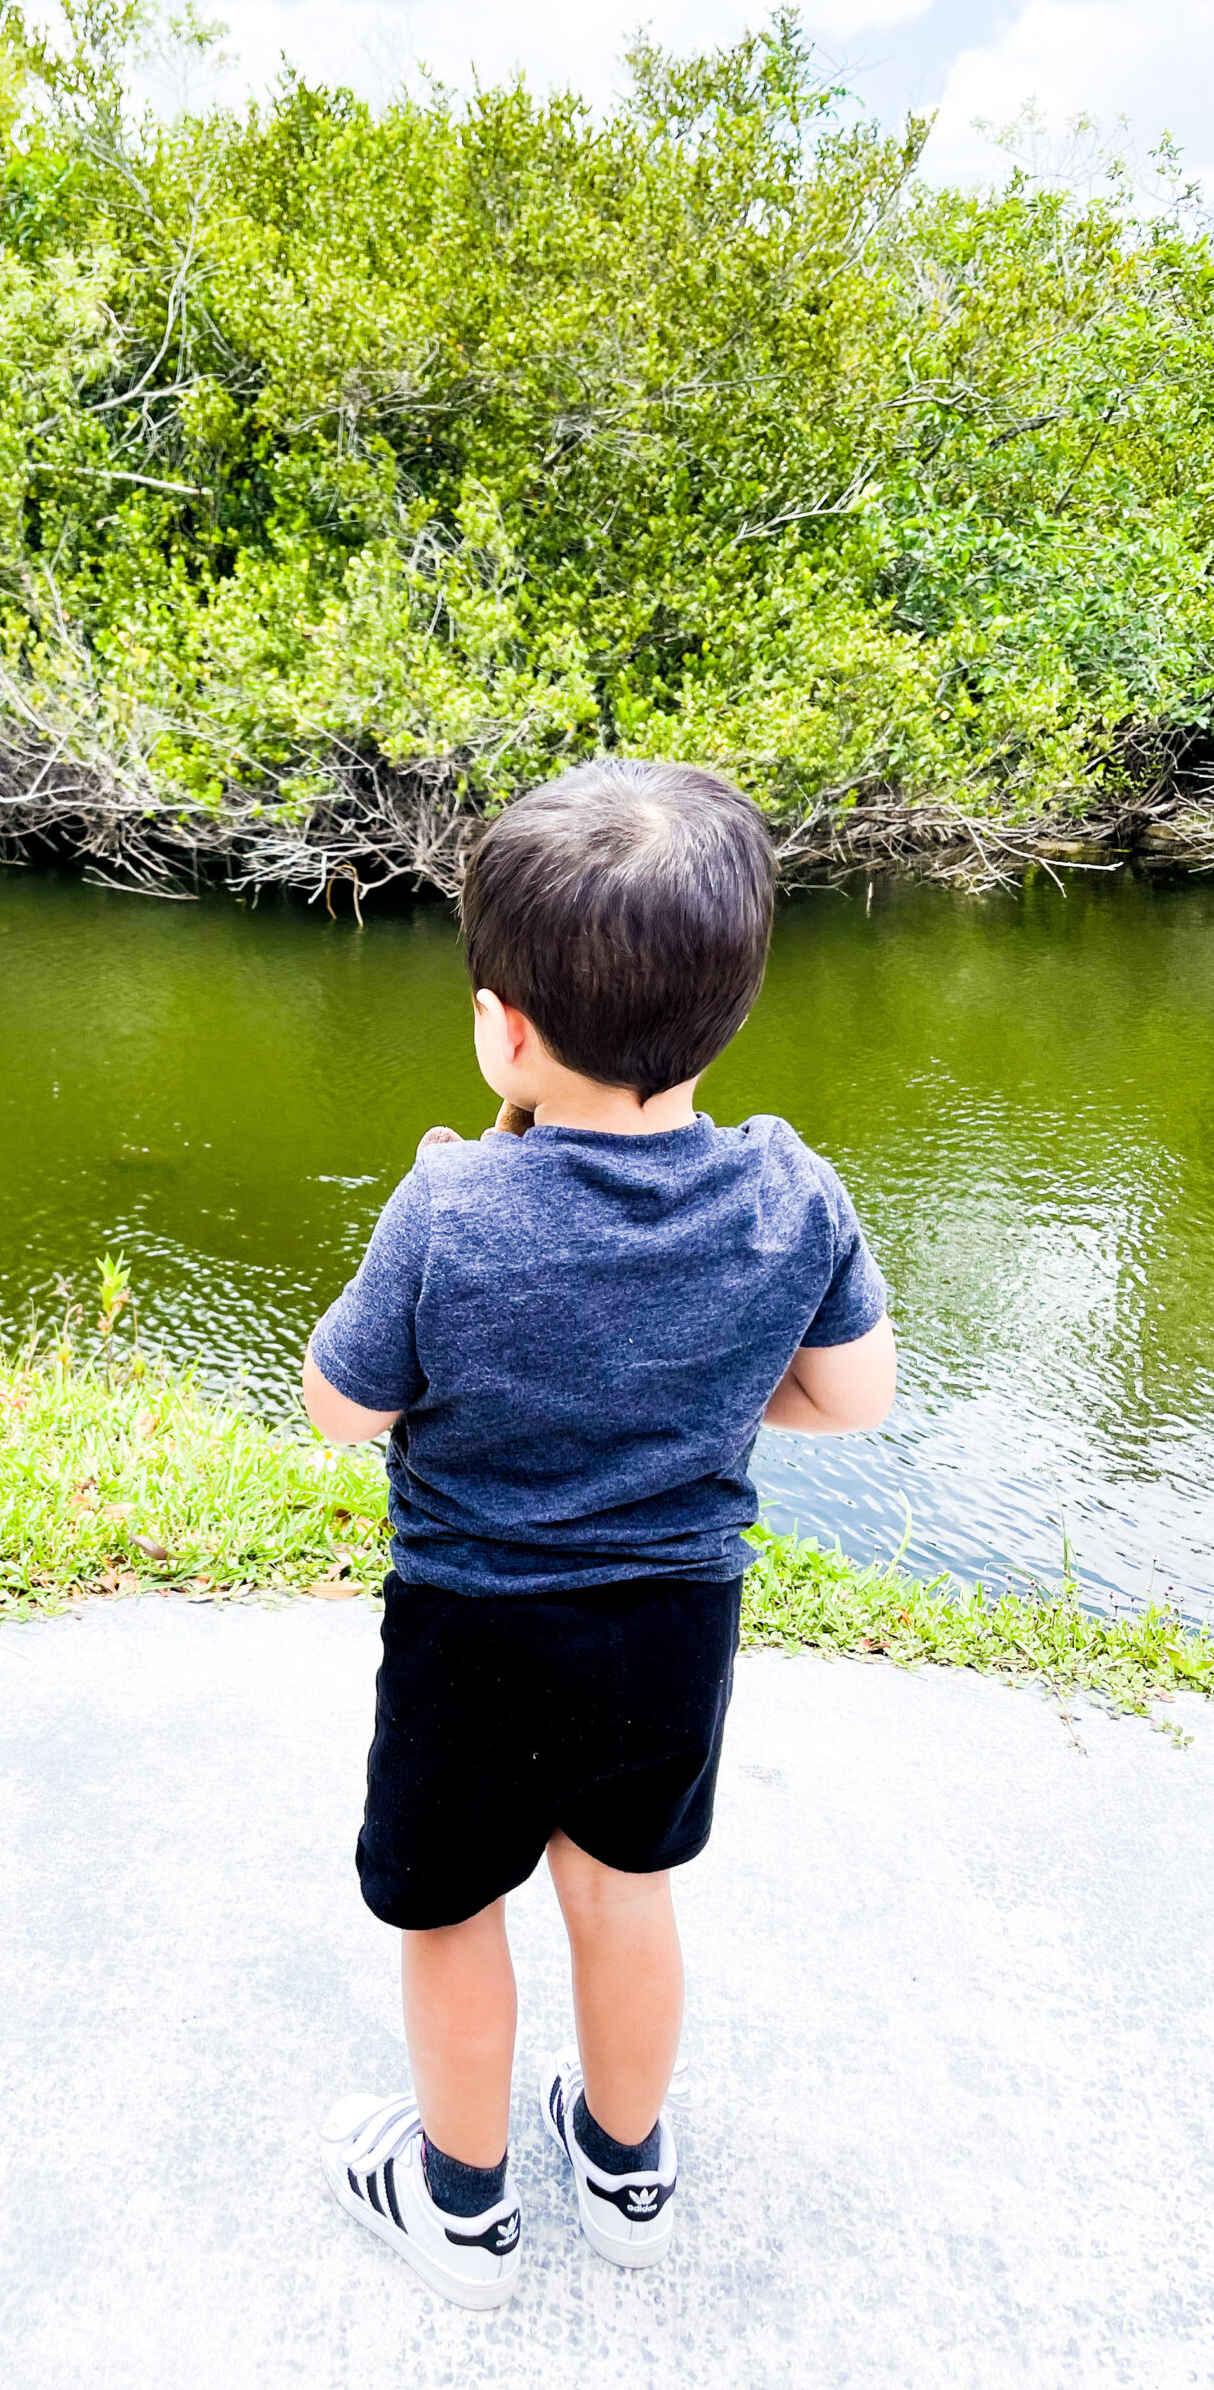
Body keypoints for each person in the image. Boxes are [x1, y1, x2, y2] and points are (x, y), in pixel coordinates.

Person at [304, 757, 894, 2309]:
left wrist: (447, 1181)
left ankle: (465, 2210)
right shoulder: (792, 1191)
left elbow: (344, 1408)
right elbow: (852, 1399)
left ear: (505, 1027)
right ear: (732, 1008)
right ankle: (628, 2169)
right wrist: (689, 1389)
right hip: (670, 1629)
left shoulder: (449, 1209)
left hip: (473, 1630)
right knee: (623, 1888)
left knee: (451, 1912)